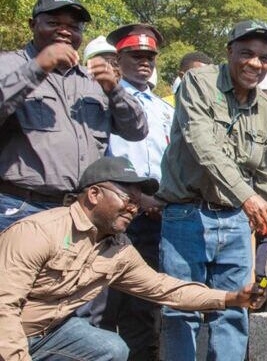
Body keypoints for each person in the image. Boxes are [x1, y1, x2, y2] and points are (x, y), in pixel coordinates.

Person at [0, 156, 267, 361]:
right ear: (94, 195)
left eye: (138, 203)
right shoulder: (38, 232)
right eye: (127, 198)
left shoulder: (117, 249)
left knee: (111, 348)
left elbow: (165, 289)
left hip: (47, 334)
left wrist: (231, 299)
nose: (133, 208)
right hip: (8, 334)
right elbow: (3, 309)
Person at [156, 20, 267, 361]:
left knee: (233, 312)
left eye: (264, 57)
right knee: (181, 309)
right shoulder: (198, 83)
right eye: (246, 53)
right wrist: (248, 196)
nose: (255, 64)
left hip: (234, 223)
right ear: (229, 52)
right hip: (186, 215)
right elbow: (203, 145)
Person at [0, 0, 147, 229]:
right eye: (54, 23)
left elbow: (137, 130)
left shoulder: (93, 79)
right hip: (20, 207)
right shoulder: (7, 65)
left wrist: (114, 89)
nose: (65, 31)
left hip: (80, 213)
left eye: (74, 26)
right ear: (32, 24)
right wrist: (37, 67)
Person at [89, 23, 173, 360]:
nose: (144, 62)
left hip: (155, 219)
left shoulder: (164, 109)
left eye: (150, 56)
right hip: (114, 215)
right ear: (117, 58)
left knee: (145, 307)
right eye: (136, 55)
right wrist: (137, 198)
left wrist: (162, 200)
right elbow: (101, 160)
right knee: (104, 304)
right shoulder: (101, 99)